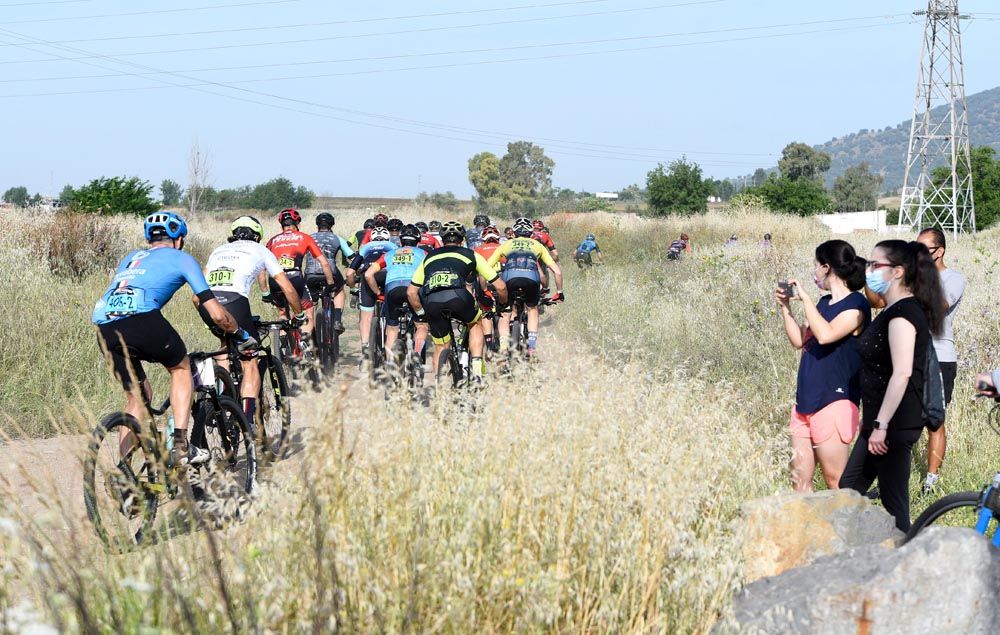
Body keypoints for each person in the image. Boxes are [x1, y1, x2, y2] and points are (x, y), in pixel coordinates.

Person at [92, 212, 243, 466]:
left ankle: (125, 474)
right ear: (179, 238)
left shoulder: (131, 258)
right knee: (181, 367)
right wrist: (239, 333)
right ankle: (182, 445)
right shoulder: (182, 258)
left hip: (103, 325)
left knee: (138, 397)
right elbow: (217, 314)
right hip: (141, 319)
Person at [839, 240, 946, 532]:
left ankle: (907, 564)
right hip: (880, 422)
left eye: (876, 265)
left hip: (894, 424)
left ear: (897, 271)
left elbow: (901, 374)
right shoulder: (892, 310)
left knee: (894, 506)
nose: (869, 270)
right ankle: (867, 554)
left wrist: (882, 424)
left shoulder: (902, 314)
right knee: (849, 489)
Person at [776, 240, 870, 492]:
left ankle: (845, 530)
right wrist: (785, 308)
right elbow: (799, 341)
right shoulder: (822, 304)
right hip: (805, 400)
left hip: (834, 401)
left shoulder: (857, 306)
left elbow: (827, 334)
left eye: (816, 266)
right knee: (799, 481)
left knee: (835, 480)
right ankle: (806, 530)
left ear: (827, 267)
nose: (814, 272)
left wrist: (805, 299)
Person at [199, 216, 302, 426]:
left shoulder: (218, 250)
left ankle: (223, 399)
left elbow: (199, 288)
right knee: (250, 360)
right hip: (234, 302)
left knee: (224, 347)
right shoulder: (262, 250)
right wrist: (298, 315)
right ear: (257, 236)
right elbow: (287, 288)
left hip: (206, 303)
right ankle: (246, 421)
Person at [407, 221, 508, 381]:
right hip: (458, 297)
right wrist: (503, 304)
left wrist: (422, 314)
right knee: (475, 324)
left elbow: (411, 292)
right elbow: (500, 286)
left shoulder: (430, 257)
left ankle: (440, 390)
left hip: (432, 301)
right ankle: (476, 372)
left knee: (441, 346)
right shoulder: (470, 254)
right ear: (462, 240)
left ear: (442, 239)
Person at [915, 227, 966, 493]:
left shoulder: (953, 278)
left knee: (934, 421)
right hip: (911, 354)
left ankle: (931, 482)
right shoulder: (912, 278)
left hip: (941, 356)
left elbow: (939, 306)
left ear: (940, 251)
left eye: (924, 249)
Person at [487, 218, 564, 358]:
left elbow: (487, 267)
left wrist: (489, 284)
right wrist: (559, 292)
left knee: (505, 312)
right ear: (531, 233)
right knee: (532, 310)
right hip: (531, 280)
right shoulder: (537, 245)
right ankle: (532, 348)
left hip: (509, 280)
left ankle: (503, 348)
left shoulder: (507, 244)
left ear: (514, 233)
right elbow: (557, 271)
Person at [264, 208, 335, 344]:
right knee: (308, 312)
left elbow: (262, 267)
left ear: (281, 225)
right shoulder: (304, 237)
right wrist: (330, 283)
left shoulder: (272, 240)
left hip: (275, 280)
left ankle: (284, 345)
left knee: (283, 313)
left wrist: (265, 290)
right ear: (297, 224)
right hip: (295, 278)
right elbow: (324, 263)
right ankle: (305, 344)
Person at [364, 224, 428, 361]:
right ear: (418, 241)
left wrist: (377, 293)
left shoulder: (389, 254)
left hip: (392, 289)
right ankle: (416, 357)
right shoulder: (423, 254)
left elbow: (368, 274)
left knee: (392, 329)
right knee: (422, 325)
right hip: (412, 290)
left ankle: (389, 366)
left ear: (400, 241)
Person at [346, 226, 397, 362]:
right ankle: (390, 348)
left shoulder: (366, 247)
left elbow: (350, 273)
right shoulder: (393, 245)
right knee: (392, 309)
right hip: (387, 275)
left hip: (368, 276)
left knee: (366, 315)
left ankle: (365, 348)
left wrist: (352, 287)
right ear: (388, 237)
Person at [305, 212, 353, 334]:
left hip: (310, 273)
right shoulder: (337, 238)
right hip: (331, 272)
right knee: (339, 289)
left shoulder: (308, 238)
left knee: (311, 300)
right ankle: (337, 320)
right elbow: (352, 257)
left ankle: (310, 328)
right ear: (331, 225)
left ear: (317, 225)